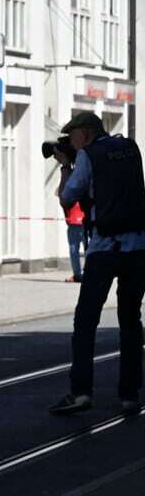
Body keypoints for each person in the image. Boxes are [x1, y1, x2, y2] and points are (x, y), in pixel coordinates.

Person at [50, 112, 145, 416]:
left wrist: (66, 165)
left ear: (86, 134)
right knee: (131, 320)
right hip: (137, 247)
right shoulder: (130, 149)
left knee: (86, 320)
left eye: (74, 136)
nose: (73, 142)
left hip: (104, 248)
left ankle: (81, 393)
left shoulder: (89, 157)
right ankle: (130, 394)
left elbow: (68, 197)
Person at [54, 147, 86, 283]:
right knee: (77, 250)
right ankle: (79, 274)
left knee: (83, 250)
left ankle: (84, 274)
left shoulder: (79, 175)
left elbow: (64, 196)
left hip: (82, 220)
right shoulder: (72, 175)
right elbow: (62, 196)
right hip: (75, 221)